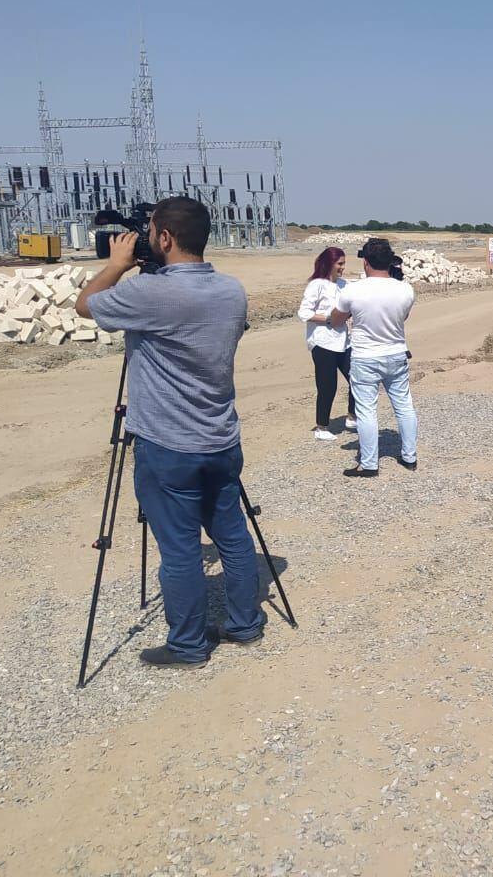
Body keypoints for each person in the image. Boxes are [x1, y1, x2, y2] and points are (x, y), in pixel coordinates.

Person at [76, 196, 267, 669]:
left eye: (149, 233)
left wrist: (117, 265)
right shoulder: (232, 290)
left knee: (180, 550)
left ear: (163, 237)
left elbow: (85, 306)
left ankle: (187, 645)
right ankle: (245, 624)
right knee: (233, 536)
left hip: (167, 446)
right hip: (221, 439)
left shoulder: (149, 294)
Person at [331, 237, 417, 476]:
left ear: (365, 262)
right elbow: (403, 317)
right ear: (390, 262)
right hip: (396, 353)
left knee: (366, 410)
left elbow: (336, 319)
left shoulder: (353, 290)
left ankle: (369, 463)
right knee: (404, 406)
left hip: (365, 356)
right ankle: (409, 456)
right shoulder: (405, 289)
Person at [298, 247, 357, 440]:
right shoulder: (317, 285)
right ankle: (321, 427)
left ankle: (352, 416)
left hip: (344, 342)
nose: (343, 267)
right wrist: (330, 319)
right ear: (329, 263)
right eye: (340, 263)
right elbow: (304, 313)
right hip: (322, 342)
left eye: (344, 263)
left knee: (357, 378)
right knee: (327, 386)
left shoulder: (345, 285)